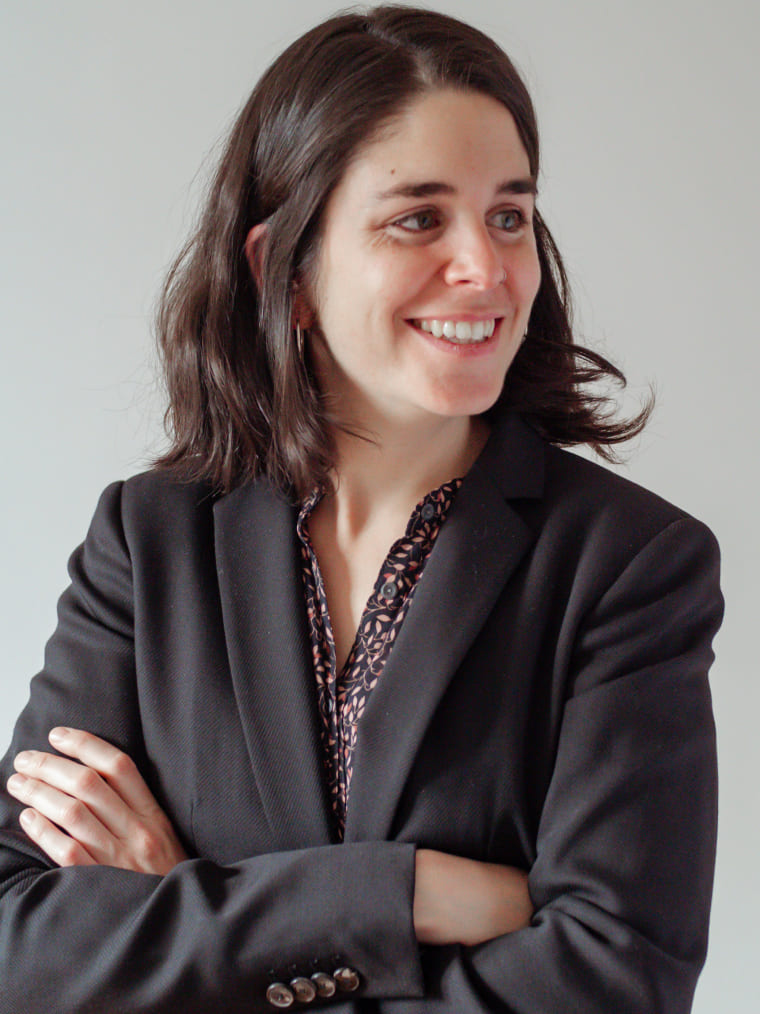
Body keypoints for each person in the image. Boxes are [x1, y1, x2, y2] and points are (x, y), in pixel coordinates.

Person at [0, 6, 722, 1012]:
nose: (487, 268)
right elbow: (18, 945)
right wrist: (400, 896)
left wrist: (182, 903)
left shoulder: (629, 564)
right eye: (418, 218)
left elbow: (613, 982)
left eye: (508, 215)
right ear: (283, 272)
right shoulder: (149, 541)